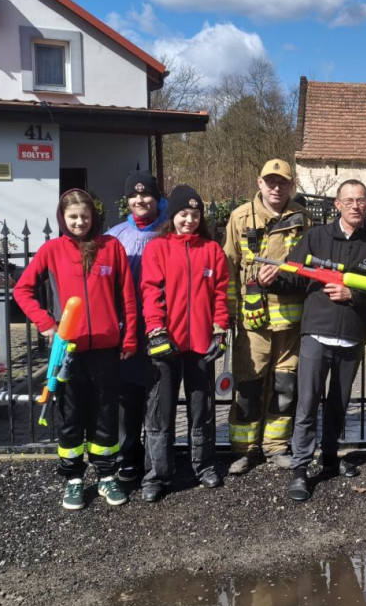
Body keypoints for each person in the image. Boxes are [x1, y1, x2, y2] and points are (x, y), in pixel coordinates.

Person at [14, 189, 137, 510]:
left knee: (106, 416)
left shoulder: (112, 248)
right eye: (73, 217)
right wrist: (45, 323)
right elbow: (22, 290)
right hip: (68, 352)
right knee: (70, 418)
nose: (79, 222)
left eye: (84, 216)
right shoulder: (51, 250)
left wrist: (130, 338)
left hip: (107, 350)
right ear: (63, 219)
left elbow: (127, 298)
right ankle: (73, 480)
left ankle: (107, 476)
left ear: (93, 216)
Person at [278, 179, 366, 502]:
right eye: (349, 200)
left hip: (351, 337)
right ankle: (300, 469)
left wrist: (352, 294)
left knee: (338, 403)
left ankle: (329, 459)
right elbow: (293, 274)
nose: (355, 206)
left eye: (361, 200)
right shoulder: (316, 236)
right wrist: (270, 279)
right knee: (307, 402)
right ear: (336, 204)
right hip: (317, 333)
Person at [139, 185, 229, 502]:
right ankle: (156, 475)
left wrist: (220, 330)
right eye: (182, 214)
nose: (188, 220)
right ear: (172, 216)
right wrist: (156, 330)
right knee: (160, 412)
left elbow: (220, 295)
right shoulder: (157, 249)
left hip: (201, 344)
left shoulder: (212, 251)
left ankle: (203, 465)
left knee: (201, 408)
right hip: (166, 344)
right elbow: (151, 292)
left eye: (194, 214)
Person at [223, 159, 310, 474]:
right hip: (253, 322)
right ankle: (245, 450)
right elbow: (228, 269)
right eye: (270, 181)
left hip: (291, 321)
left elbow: (308, 266)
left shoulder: (303, 218)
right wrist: (231, 316)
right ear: (259, 182)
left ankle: (275, 447)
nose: (276, 187)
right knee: (249, 385)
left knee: (285, 387)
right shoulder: (240, 217)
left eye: (282, 182)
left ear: (291, 185)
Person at [105, 170, 169, 484]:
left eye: (146, 195)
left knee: (157, 396)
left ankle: (158, 458)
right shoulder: (115, 235)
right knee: (127, 398)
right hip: (127, 326)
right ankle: (127, 456)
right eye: (134, 195)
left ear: (157, 198)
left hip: (162, 326)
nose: (140, 200)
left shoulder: (170, 232)